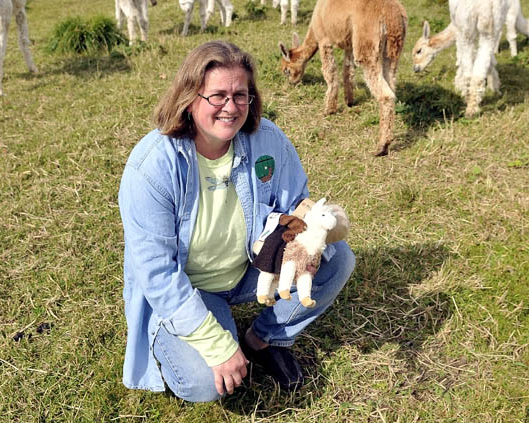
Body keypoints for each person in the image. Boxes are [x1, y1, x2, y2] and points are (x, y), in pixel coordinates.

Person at [118, 40, 355, 402]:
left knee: (336, 260)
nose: (231, 107)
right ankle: (207, 329)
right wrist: (216, 346)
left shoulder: (268, 139)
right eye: (217, 96)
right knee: (202, 383)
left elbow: (296, 204)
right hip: (190, 287)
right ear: (189, 97)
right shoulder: (152, 165)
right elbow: (156, 272)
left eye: (240, 95)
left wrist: (319, 225)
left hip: (249, 268)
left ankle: (262, 339)